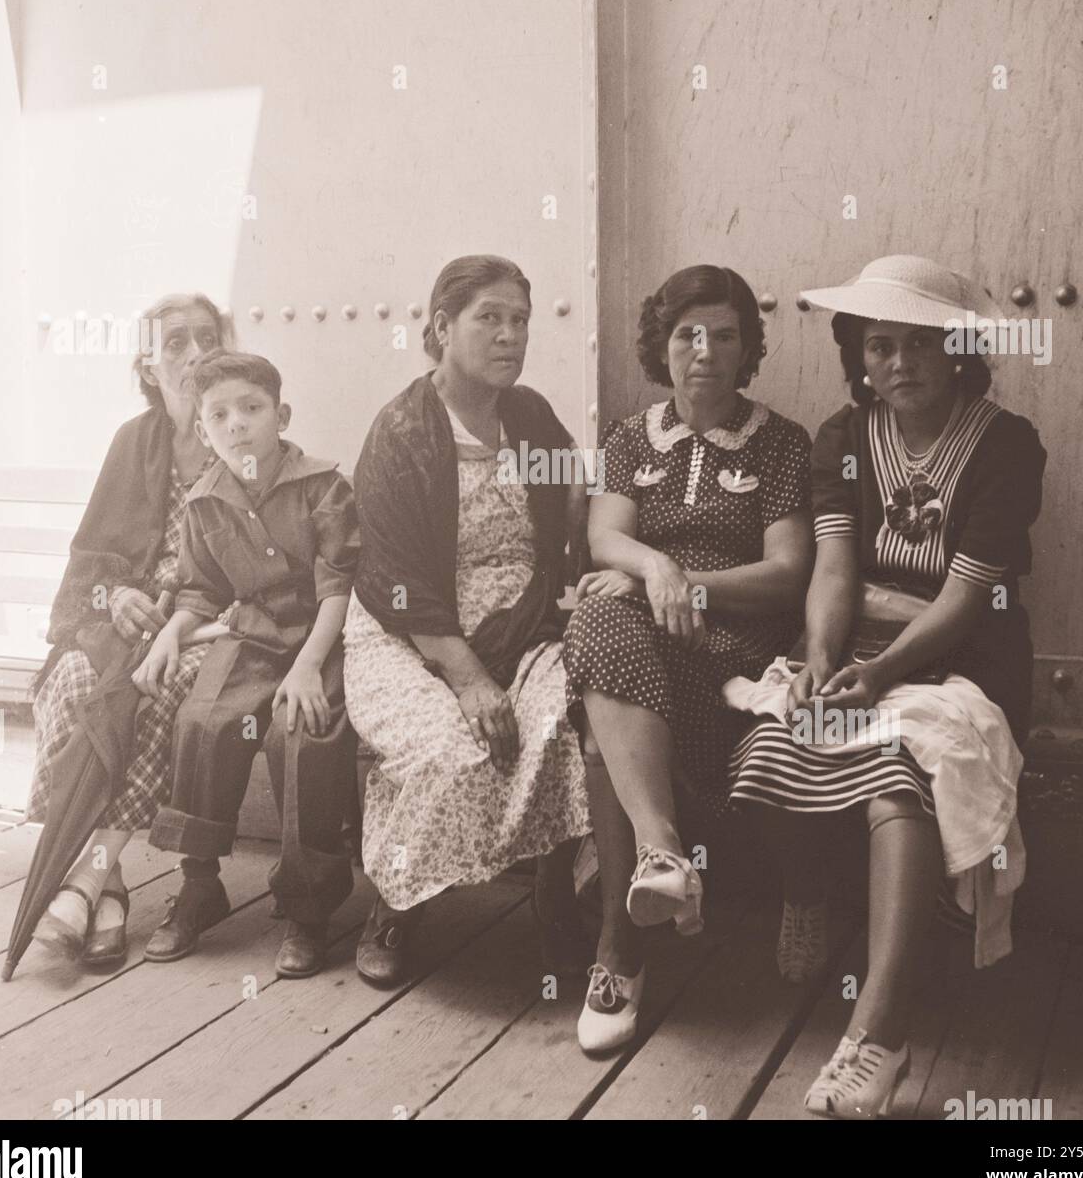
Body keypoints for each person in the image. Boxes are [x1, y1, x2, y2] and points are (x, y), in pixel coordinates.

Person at [724, 255, 1046, 1118]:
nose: (897, 363)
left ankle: (879, 1037)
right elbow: (832, 566)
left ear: (959, 352)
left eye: (918, 345)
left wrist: (882, 674)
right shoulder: (842, 438)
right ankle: (810, 889)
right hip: (855, 645)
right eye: (878, 347)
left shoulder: (1005, 444)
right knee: (769, 740)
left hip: (961, 660)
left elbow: (967, 597)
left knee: (898, 769)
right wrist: (824, 660)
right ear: (859, 358)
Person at [562, 264, 814, 1053]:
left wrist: (689, 585)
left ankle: (619, 958)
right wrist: (655, 570)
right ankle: (663, 855)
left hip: (733, 645)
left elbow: (787, 572)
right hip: (641, 629)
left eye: (725, 335)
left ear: (748, 349)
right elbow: (605, 538)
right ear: (661, 347)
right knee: (604, 620)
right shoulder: (632, 438)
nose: (705, 350)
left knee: (609, 709)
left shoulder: (780, 443)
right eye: (686, 334)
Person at [344, 254, 592, 987]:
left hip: (524, 624)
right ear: (441, 327)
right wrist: (470, 680)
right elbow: (394, 585)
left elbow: (570, 501)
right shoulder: (402, 435)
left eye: (519, 320)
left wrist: (596, 547)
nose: (509, 335)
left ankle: (556, 903)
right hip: (412, 636)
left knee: (556, 731)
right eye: (489, 317)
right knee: (452, 752)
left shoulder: (530, 418)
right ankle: (396, 901)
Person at [26, 293, 233, 966]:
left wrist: (180, 620)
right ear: (148, 364)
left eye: (208, 337)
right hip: (127, 625)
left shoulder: (241, 431)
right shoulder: (132, 442)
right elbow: (90, 559)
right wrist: (114, 596)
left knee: (158, 691)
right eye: (175, 342)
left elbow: (266, 562)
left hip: (208, 630)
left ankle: (80, 885)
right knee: (72, 678)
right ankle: (107, 885)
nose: (196, 352)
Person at [141, 350, 358, 979]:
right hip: (253, 637)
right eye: (219, 415)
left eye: (251, 408)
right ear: (204, 430)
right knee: (203, 720)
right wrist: (168, 638)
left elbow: (339, 585)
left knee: (301, 734)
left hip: (322, 640)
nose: (236, 424)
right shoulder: (206, 501)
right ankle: (202, 883)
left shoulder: (323, 485)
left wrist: (310, 665)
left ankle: (307, 909)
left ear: (281, 415)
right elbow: (200, 590)